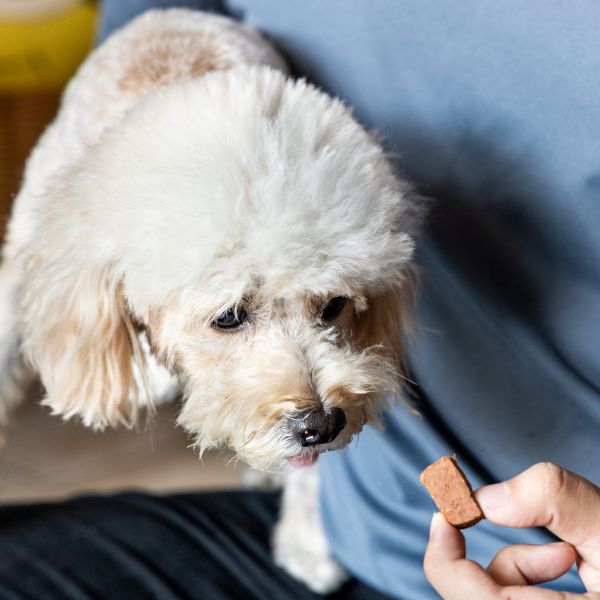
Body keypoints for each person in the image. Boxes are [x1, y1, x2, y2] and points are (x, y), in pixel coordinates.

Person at [2, 1, 599, 598]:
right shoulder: (102, 200)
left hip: (536, 558)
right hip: (382, 530)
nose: (314, 400)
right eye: (233, 317)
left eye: (331, 306)